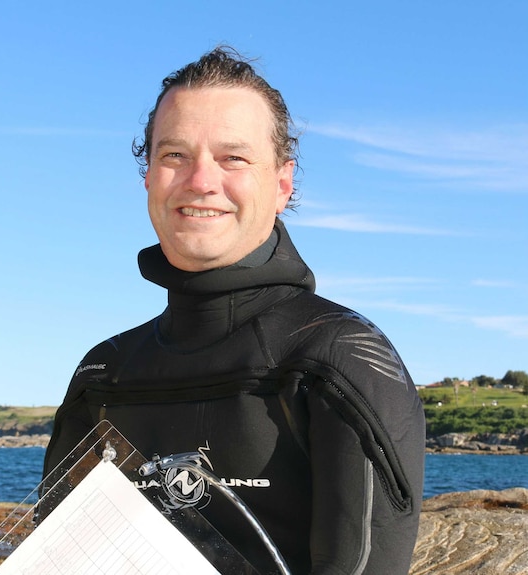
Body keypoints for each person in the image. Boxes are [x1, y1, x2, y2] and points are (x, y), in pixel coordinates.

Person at [43, 46, 425, 575]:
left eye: (234, 158)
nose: (201, 181)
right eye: (174, 155)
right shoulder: (104, 369)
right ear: (148, 177)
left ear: (282, 185)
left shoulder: (338, 359)